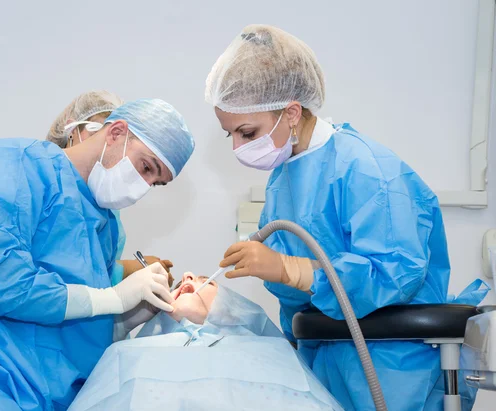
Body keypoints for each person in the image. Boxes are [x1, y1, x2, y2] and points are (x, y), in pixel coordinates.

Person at [204, 24, 490, 411]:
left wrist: (289, 268)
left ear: (291, 112)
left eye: (247, 131)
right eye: (231, 136)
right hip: (324, 360)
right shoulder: (283, 180)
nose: (239, 147)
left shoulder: (369, 170)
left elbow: (394, 274)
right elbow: (297, 300)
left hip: (390, 368)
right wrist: (256, 287)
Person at [0, 98, 195, 411]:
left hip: (50, 399)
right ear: (116, 133)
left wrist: (129, 315)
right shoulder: (9, 164)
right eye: (147, 167)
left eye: (156, 182)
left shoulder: (104, 225)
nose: (144, 186)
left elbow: (75, 319)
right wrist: (114, 299)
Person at [68, 272, 344, 411]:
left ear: (234, 308)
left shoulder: (273, 351)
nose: (187, 276)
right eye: (179, 284)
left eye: (205, 281)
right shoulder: (126, 353)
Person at [46, 90, 174, 287]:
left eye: (155, 183)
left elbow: (93, 277)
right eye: (96, 131)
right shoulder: (35, 182)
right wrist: (126, 275)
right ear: (72, 131)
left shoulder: (105, 212)